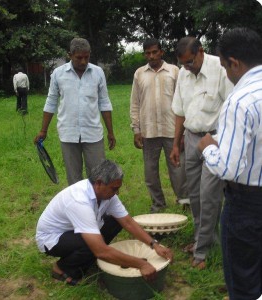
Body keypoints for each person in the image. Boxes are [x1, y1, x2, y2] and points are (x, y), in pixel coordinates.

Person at [198, 27, 262, 300]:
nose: (226, 73)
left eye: (224, 66)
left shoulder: (240, 101)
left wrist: (209, 148)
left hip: (248, 205)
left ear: (234, 62)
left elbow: (229, 168)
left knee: (244, 279)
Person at [36, 159, 173, 285]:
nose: (117, 193)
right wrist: (141, 264)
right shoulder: (78, 200)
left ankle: (88, 258)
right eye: (114, 189)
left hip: (74, 231)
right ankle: (61, 268)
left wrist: (154, 245)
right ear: (99, 183)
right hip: (53, 239)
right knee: (94, 245)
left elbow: (127, 222)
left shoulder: (107, 194)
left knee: (115, 221)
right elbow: (101, 251)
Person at [170, 37, 233, 269]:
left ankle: (203, 252)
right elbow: (179, 111)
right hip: (191, 137)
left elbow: (232, 107)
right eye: (183, 64)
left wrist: (218, 141)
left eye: (190, 62)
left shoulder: (220, 69)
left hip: (214, 139)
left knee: (209, 196)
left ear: (200, 52)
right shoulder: (183, 74)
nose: (187, 67)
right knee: (194, 195)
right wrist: (176, 144)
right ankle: (203, 239)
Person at [34, 38, 116, 185]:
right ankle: (78, 207)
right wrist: (43, 131)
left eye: (86, 57)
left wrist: (110, 132)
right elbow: (51, 102)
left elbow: (104, 102)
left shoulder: (98, 73)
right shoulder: (58, 74)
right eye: (79, 58)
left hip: (93, 134)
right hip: (68, 134)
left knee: (99, 177)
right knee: (74, 179)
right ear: (70, 55)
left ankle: (98, 207)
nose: (83, 61)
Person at [130, 38, 188, 213]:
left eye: (155, 52)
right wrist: (136, 129)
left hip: (172, 130)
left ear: (161, 52)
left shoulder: (174, 71)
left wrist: (183, 132)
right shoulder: (139, 73)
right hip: (149, 131)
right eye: (148, 53)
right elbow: (135, 103)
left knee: (177, 169)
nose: (152, 56)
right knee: (150, 172)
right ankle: (158, 203)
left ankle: (184, 201)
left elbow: (183, 101)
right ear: (144, 54)